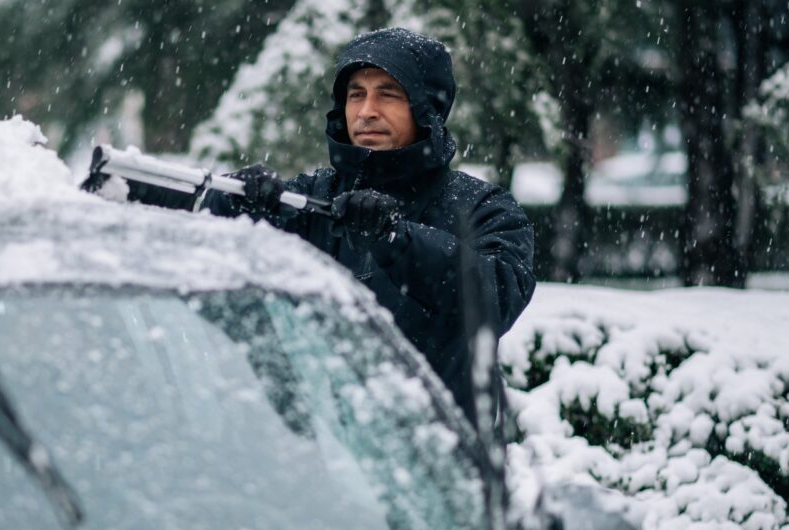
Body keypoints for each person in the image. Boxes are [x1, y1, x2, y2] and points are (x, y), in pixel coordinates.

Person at [130, 27, 536, 428]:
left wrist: (397, 239)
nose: (366, 111)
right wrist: (234, 201)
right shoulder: (312, 197)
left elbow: (494, 297)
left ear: (426, 107)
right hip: (323, 467)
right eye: (355, 94)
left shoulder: (480, 207)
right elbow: (194, 235)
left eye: (388, 94)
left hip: (437, 468)